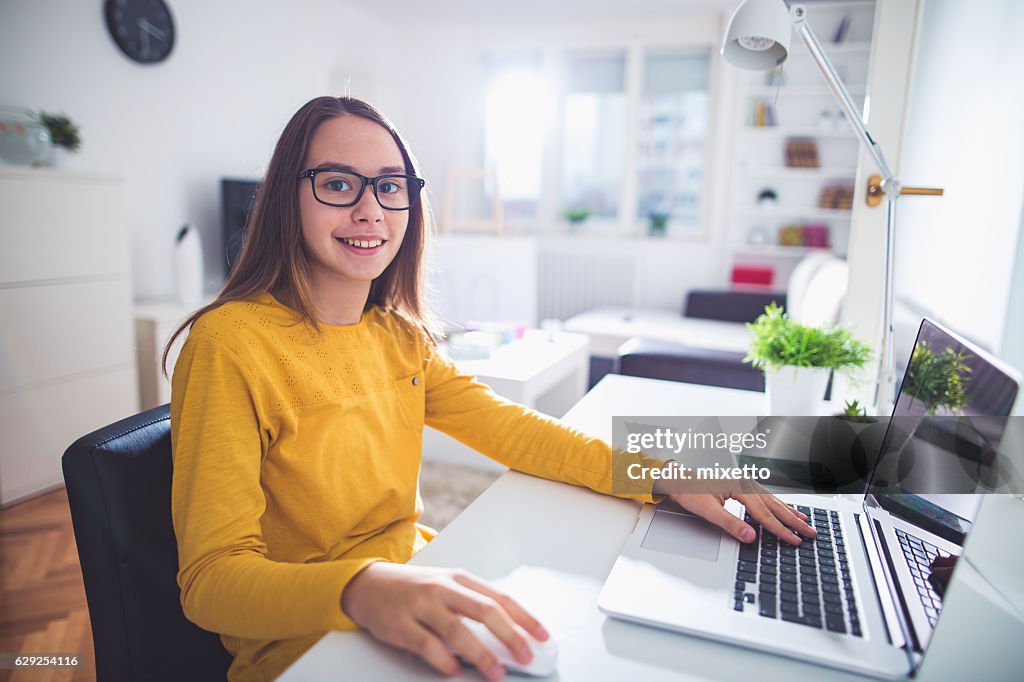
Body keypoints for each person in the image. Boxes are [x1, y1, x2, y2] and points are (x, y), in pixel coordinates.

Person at [166, 95, 816, 682]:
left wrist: (659, 472)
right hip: (307, 647)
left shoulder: (397, 336)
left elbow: (517, 432)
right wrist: (362, 588)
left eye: (390, 187)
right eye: (338, 183)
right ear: (289, 196)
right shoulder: (230, 344)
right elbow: (210, 582)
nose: (370, 209)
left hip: (415, 592)